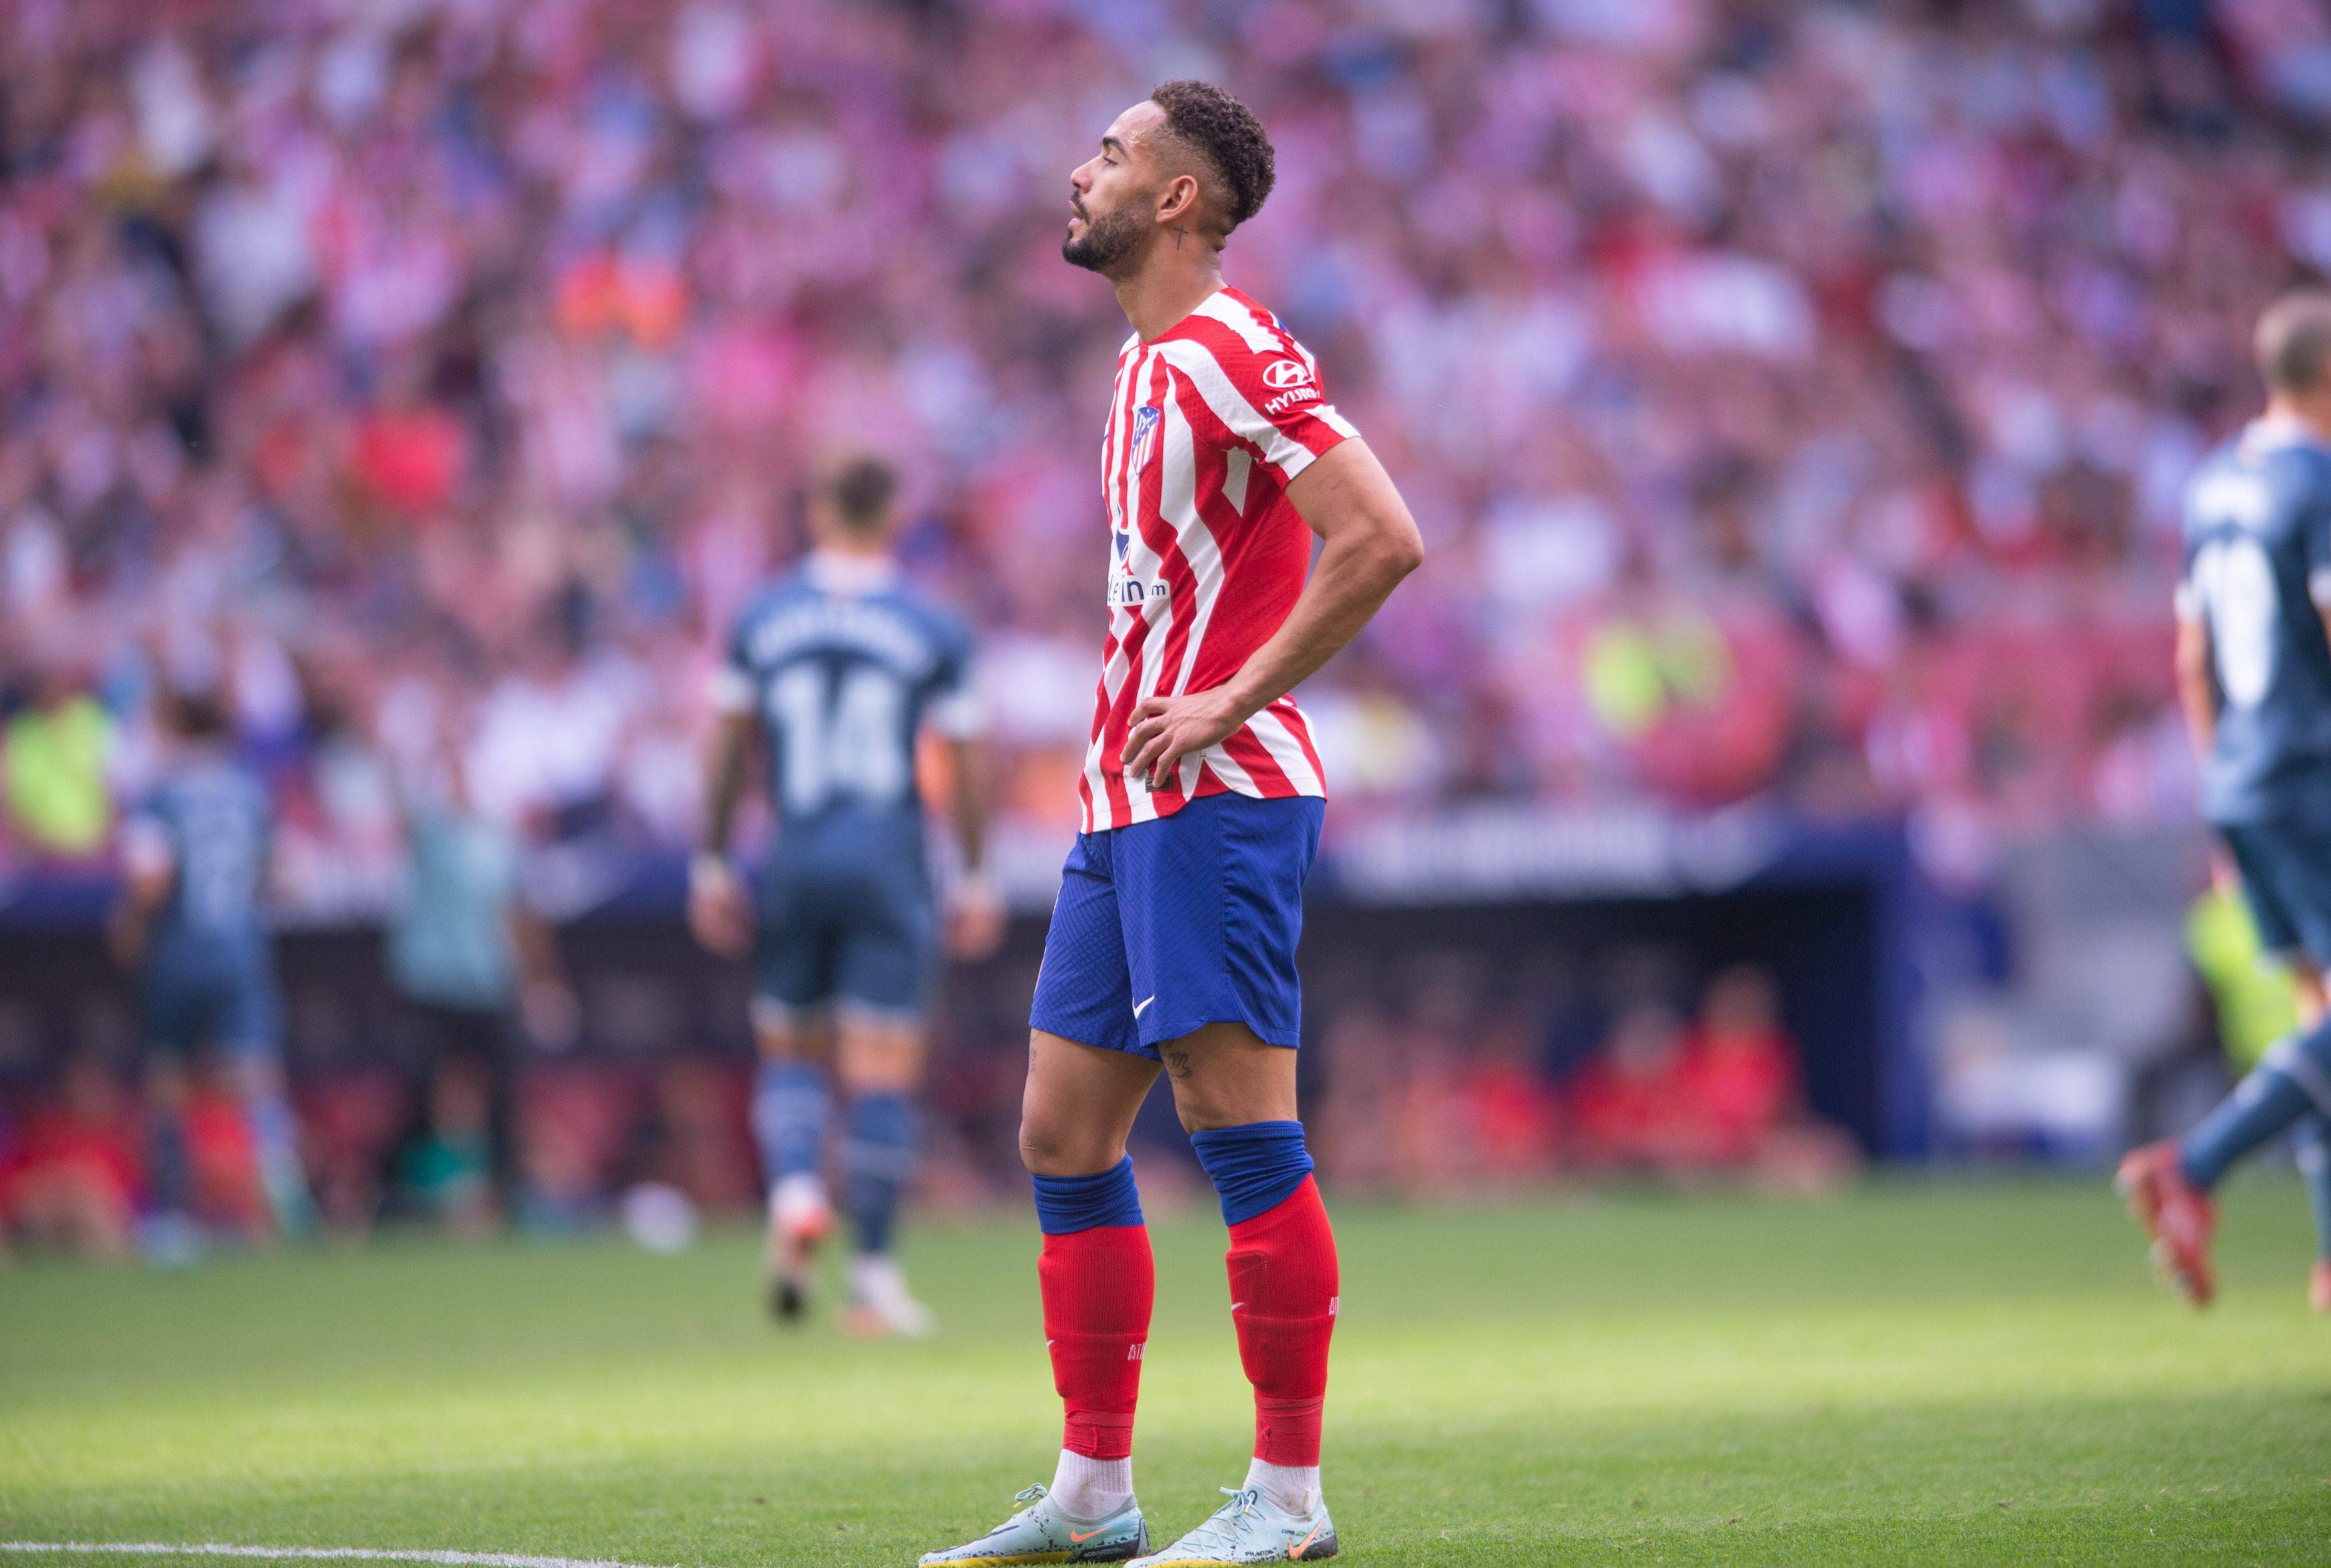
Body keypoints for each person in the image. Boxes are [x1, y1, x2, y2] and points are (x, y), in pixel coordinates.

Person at [922, 81, 1423, 1568]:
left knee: (1236, 1125)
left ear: (1176, 199)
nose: (1080, 173)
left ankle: (1288, 1496)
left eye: (1111, 155)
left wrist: (1226, 698)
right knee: (1061, 1129)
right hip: (1120, 795)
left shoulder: (1226, 349)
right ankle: (1092, 1492)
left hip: (1218, 792)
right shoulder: (1145, 368)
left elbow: (1380, 535)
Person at [691, 455, 1001, 1336]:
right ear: (894, 514)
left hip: (793, 853)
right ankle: (871, 1276)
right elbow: (971, 756)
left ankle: (794, 1188)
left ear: (820, 509)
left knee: (790, 1044)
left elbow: (725, 743)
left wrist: (711, 861)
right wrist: (975, 871)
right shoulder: (932, 623)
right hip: (889, 860)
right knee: (881, 1067)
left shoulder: (765, 612)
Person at [2120, 290, 2331, 1312]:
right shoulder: (2320, 482)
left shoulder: (2212, 485)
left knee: (2318, 1014)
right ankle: (2195, 1164)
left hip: (2245, 774)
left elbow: (2193, 653)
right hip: (2317, 770)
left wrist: (2215, 784)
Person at [111, 681, 311, 1252]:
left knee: (168, 1085)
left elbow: (150, 880)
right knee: (256, 1082)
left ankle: (173, 1221)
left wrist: (126, 924)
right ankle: (288, 1200)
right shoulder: (251, 791)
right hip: (240, 950)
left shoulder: (161, 795)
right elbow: (284, 874)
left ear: (175, 724)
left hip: (178, 952)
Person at [384, 700, 575, 1226]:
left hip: (488, 982)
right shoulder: (432, 832)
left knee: (500, 1092)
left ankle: (502, 1195)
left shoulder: (499, 842)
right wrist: (430, 747)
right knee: (441, 1090)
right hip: (435, 981)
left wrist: (542, 983)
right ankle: (449, 1193)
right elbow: (399, 802)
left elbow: (522, 917)